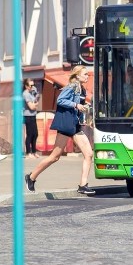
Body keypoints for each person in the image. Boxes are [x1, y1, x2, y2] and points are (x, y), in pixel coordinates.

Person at [25, 65, 95, 195]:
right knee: (54, 157)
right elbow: (60, 100)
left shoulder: (82, 90)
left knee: (89, 154)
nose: (87, 76)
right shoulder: (71, 87)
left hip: (75, 125)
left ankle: (83, 185)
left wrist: (83, 112)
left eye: (87, 74)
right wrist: (76, 105)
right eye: (85, 74)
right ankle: (31, 177)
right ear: (77, 76)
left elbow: (78, 107)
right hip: (66, 124)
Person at [22, 78, 40, 158]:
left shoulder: (32, 92)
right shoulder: (26, 94)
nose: (33, 87)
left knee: (35, 134)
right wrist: (35, 104)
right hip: (28, 115)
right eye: (31, 85)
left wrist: (35, 103)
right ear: (26, 86)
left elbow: (36, 101)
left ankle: (34, 151)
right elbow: (31, 107)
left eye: (33, 85)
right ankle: (28, 152)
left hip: (33, 115)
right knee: (29, 134)